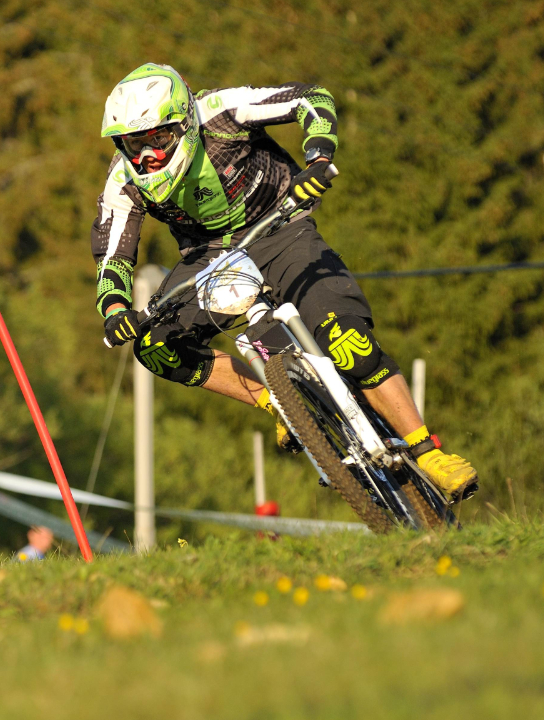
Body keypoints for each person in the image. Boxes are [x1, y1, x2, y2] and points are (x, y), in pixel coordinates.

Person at [92, 63, 478, 502]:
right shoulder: (123, 180)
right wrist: (115, 309)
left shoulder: (220, 112)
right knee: (155, 347)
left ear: (184, 123)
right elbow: (113, 254)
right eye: (132, 145)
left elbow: (313, 98)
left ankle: (427, 451)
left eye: (157, 141)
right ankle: (280, 402)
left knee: (347, 341)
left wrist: (318, 158)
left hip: (282, 228)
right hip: (211, 259)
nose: (145, 158)